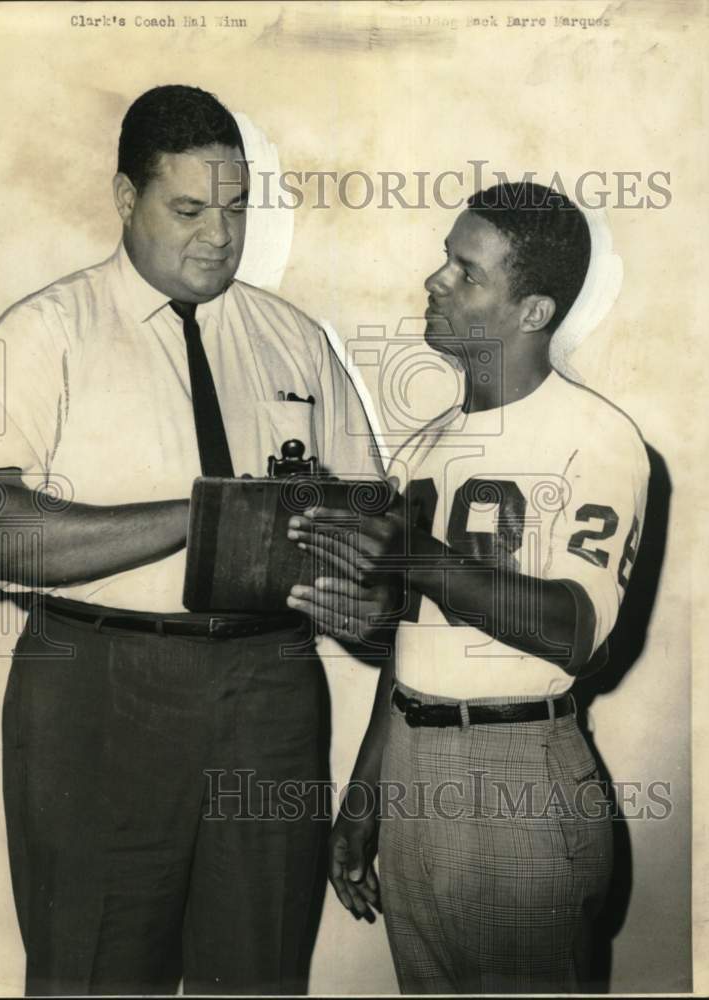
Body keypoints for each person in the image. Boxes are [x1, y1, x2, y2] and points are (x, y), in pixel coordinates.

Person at [0, 85, 382, 996]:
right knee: (94, 970)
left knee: (260, 971)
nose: (219, 237)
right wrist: (205, 517)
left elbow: (377, 535)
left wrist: (370, 599)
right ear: (124, 199)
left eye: (234, 209)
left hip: (271, 688)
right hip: (99, 688)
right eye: (188, 209)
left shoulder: (295, 339)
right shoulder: (44, 332)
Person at [287, 181, 650, 994]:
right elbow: (410, 650)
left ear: (532, 311)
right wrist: (363, 796)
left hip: (518, 770)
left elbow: (575, 633)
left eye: (466, 271)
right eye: (443, 262)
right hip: (412, 764)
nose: (434, 282)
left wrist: (415, 560)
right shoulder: (424, 447)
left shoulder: (595, 437)